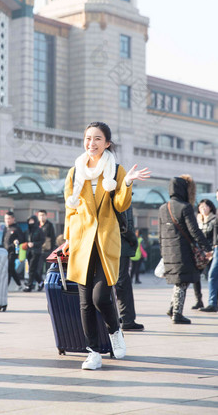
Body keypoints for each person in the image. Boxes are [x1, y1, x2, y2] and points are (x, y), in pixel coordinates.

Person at [63, 121, 150, 370]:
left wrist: (128, 183)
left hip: (104, 241)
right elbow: (70, 209)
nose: (92, 143)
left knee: (101, 297)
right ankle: (93, 353)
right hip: (81, 242)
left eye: (97, 139)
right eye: (88, 138)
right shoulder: (75, 171)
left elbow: (121, 205)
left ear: (107, 143)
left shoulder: (116, 170)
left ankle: (115, 332)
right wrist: (68, 238)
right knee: (85, 302)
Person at [159, 175, 211, 324]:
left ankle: (172, 308)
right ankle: (177, 314)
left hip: (168, 251)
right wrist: (206, 247)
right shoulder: (185, 207)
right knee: (182, 283)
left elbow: (161, 234)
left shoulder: (163, 207)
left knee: (179, 281)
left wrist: (163, 252)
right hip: (183, 252)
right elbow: (194, 231)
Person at [116, 206, 144, 331]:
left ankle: (118, 317)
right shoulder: (122, 194)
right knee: (122, 282)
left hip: (111, 244)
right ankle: (127, 319)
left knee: (115, 281)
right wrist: (133, 239)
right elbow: (124, 224)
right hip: (120, 245)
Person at [199, 199, 218, 312]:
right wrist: (215, 245)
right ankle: (212, 303)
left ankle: (213, 303)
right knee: (212, 274)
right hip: (216, 248)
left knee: (213, 274)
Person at [2, 211, 25, 290]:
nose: (7, 220)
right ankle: (19, 285)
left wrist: (16, 241)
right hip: (5, 252)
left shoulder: (16, 228)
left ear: (13, 219)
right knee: (11, 269)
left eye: (8, 218)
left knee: (8, 268)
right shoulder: (6, 228)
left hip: (13, 252)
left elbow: (21, 239)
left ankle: (5, 287)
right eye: (5, 219)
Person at [23, 215, 45, 292]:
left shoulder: (39, 230)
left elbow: (42, 240)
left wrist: (34, 244)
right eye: (29, 221)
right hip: (28, 252)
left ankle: (30, 285)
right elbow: (23, 239)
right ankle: (41, 282)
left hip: (36, 252)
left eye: (32, 221)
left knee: (32, 269)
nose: (30, 222)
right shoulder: (27, 231)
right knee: (33, 269)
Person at [38, 209, 56, 278]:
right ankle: (40, 283)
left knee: (48, 269)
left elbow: (53, 238)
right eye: (40, 215)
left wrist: (52, 250)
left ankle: (47, 281)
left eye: (43, 215)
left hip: (48, 250)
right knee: (38, 268)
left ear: (46, 216)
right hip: (39, 250)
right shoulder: (37, 225)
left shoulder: (49, 225)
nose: (41, 217)